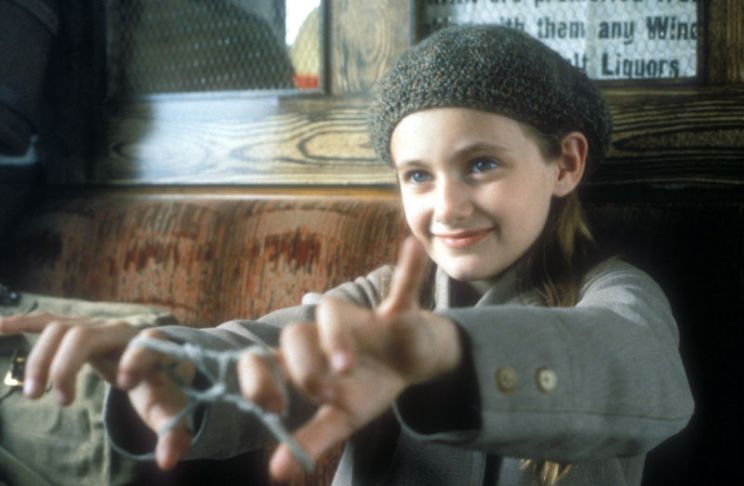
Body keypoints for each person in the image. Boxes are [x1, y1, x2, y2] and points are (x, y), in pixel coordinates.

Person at [0, 25, 693, 486]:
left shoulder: (615, 292)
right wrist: (165, 365)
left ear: (565, 164)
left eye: (481, 164)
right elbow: (262, 350)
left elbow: (635, 370)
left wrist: (442, 354)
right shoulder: (382, 296)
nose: (447, 207)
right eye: (417, 176)